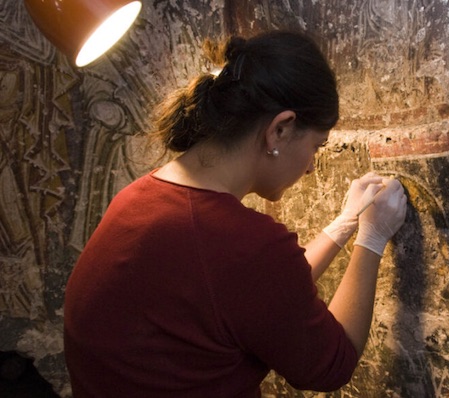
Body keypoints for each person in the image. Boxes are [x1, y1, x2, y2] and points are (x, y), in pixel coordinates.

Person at [63, 30, 407, 397]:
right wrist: (371, 239)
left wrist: (342, 226)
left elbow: (254, 297)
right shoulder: (239, 242)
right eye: (316, 146)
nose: (310, 167)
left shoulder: (140, 197)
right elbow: (332, 364)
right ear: (279, 130)